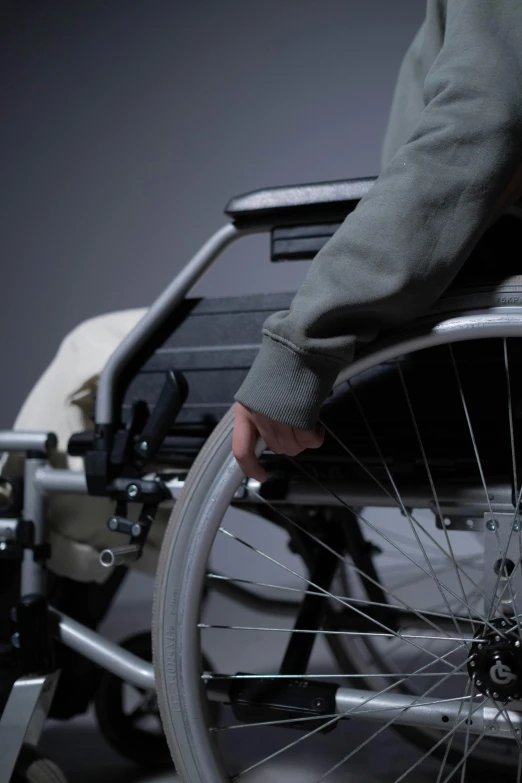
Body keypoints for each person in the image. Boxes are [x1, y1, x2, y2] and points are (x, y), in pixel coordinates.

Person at [232, 0, 522, 481]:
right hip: (457, 312)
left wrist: (302, 343)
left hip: (461, 329)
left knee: (92, 361)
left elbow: (487, 121)